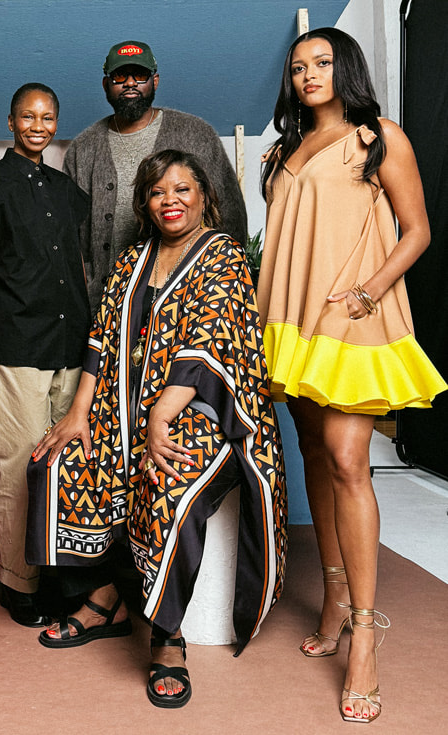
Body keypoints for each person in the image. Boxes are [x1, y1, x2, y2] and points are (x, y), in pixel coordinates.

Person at [30, 150, 286, 709]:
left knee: (170, 483)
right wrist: (78, 413)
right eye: (157, 192)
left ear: (205, 196)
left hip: (201, 407)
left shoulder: (223, 254)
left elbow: (209, 346)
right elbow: (101, 339)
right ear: (145, 203)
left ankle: (168, 636)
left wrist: (158, 417)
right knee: (61, 461)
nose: (169, 200)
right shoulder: (132, 258)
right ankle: (104, 597)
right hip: (121, 402)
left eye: (182, 189)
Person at [258, 27, 445, 723]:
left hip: (354, 312)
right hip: (293, 321)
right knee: (312, 451)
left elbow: (417, 228)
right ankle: (334, 595)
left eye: (324, 62)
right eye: (299, 65)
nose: (310, 74)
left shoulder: (379, 137)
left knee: (347, 461)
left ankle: (365, 628)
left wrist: (368, 290)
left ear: (348, 68)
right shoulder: (281, 151)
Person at [0, 83, 90, 627]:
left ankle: (60, 569)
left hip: (69, 344)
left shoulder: (66, 189)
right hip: (14, 345)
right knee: (13, 462)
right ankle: (17, 580)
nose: (38, 125)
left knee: (66, 463)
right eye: (28, 116)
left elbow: (75, 267)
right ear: (9, 122)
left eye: (48, 116)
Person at [64, 40, 247, 311]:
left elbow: (231, 221)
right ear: (106, 85)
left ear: (155, 81)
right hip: (106, 307)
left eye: (139, 75)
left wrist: (218, 287)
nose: (129, 83)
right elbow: (71, 236)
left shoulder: (196, 134)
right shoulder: (83, 148)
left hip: (189, 302)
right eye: (119, 76)